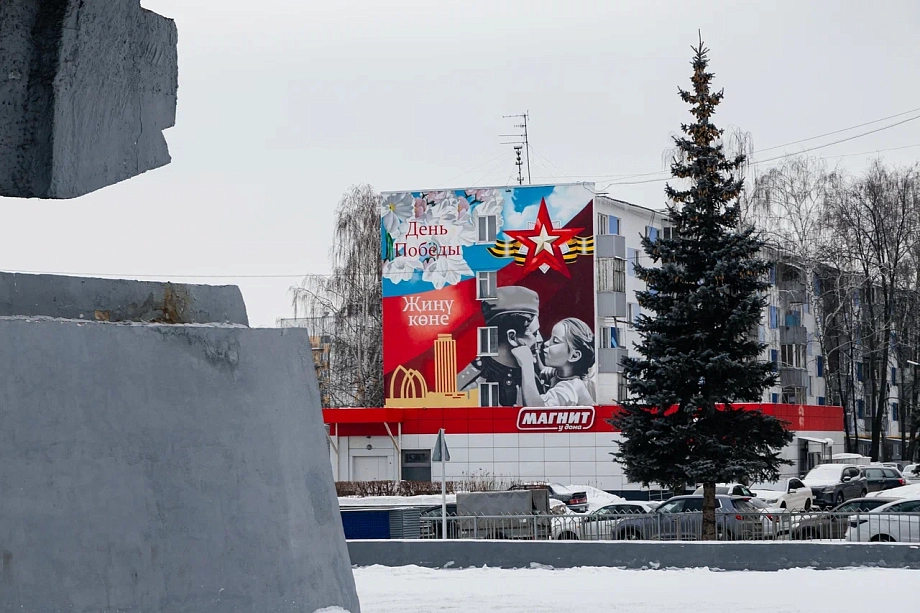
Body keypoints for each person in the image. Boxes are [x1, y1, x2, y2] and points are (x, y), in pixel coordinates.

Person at [457, 285, 546, 406]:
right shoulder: (470, 388)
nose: (540, 340)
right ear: (512, 338)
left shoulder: (538, 375)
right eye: (534, 333)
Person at [511, 317, 595, 407]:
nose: (546, 343)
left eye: (555, 341)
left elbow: (536, 409)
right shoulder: (564, 375)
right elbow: (544, 370)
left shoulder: (570, 388)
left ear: (574, 356)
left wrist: (527, 365)